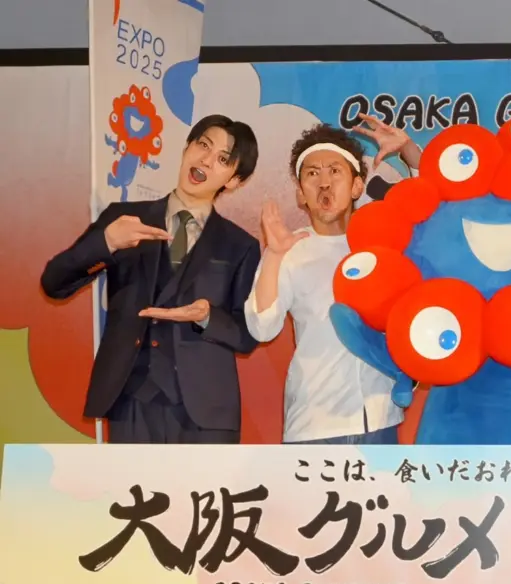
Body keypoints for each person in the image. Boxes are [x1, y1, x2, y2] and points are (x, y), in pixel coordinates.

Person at [40, 114, 260, 444]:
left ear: (234, 180)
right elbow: (54, 283)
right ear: (186, 148)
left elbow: (248, 333)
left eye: (223, 159)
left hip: (206, 411)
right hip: (131, 399)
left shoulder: (240, 245)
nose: (206, 160)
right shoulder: (124, 219)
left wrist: (207, 317)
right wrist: (106, 242)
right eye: (203, 145)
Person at [245, 115, 421, 444]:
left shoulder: (382, 242)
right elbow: (261, 327)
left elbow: (427, 211)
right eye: (312, 174)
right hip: (315, 425)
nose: (324, 183)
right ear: (301, 194)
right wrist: (274, 255)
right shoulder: (289, 250)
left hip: (380, 420)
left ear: (357, 186)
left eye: (335, 171)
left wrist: (408, 150)